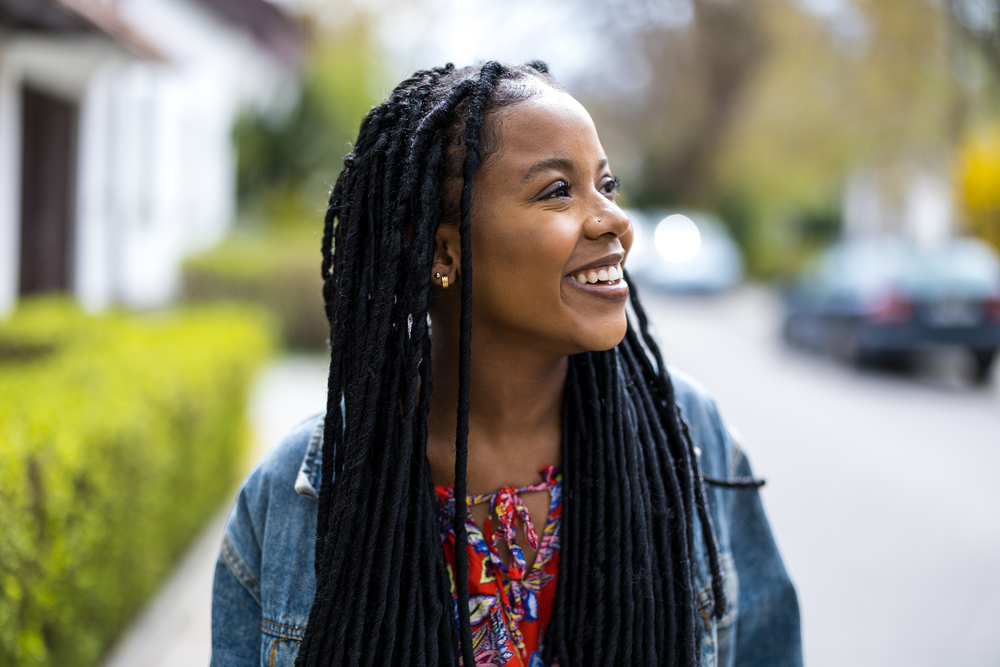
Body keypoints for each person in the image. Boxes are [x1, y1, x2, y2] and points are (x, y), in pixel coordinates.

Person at [210, 61, 802, 667]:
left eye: (607, 185)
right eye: (557, 191)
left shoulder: (689, 442)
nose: (615, 220)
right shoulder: (296, 497)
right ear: (444, 250)